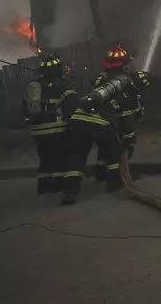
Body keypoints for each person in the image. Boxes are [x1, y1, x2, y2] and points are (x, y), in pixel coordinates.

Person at [61, 46, 137, 205]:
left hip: (78, 119)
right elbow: (125, 113)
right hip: (100, 122)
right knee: (114, 153)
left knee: (76, 157)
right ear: (124, 65)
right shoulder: (123, 82)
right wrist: (129, 138)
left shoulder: (98, 79)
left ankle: (69, 192)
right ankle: (114, 183)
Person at [22, 54, 78, 194]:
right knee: (60, 156)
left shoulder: (34, 87)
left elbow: (24, 108)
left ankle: (43, 187)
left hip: (37, 131)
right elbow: (71, 106)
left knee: (45, 158)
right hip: (57, 129)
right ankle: (57, 185)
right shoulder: (62, 85)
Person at [92, 69, 149, 182]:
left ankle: (101, 174)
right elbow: (131, 115)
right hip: (120, 127)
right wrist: (130, 139)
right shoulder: (132, 94)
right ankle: (118, 178)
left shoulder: (119, 87)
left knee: (105, 151)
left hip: (106, 124)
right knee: (119, 152)